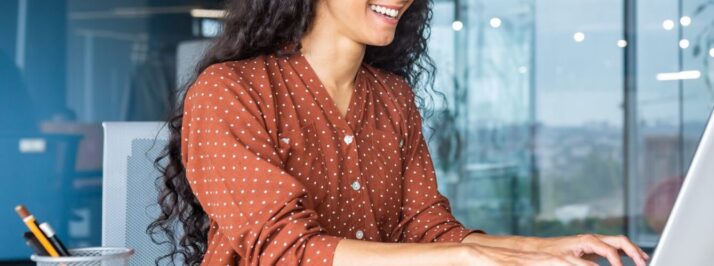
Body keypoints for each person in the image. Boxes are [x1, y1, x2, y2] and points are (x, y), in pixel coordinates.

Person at [148, 0, 648, 265]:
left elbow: (429, 232)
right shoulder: (230, 91)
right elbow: (286, 250)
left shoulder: (392, 99)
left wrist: (544, 249)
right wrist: (469, 259)